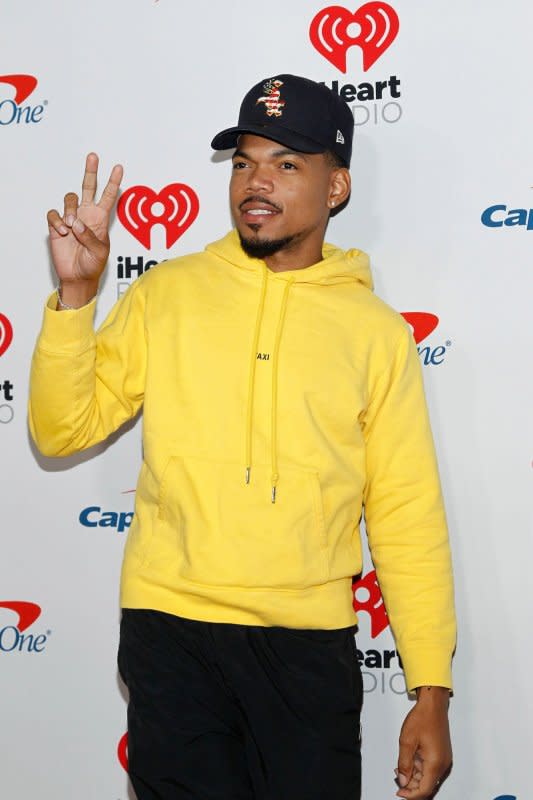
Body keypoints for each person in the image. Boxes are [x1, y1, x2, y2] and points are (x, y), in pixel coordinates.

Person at [29, 74, 456, 800]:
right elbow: (62, 429)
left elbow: (405, 515)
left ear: (336, 186)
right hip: (172, 629)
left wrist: (431, 690)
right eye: (244, 162)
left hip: (305, 646)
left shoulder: (376, 335)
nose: (256, 183)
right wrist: (76, 301)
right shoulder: (169, 292)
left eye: (287, 164)